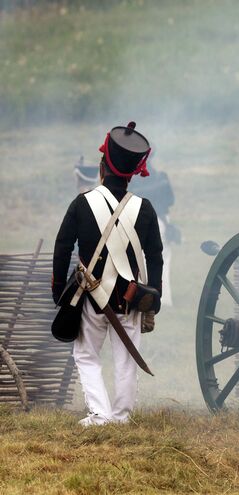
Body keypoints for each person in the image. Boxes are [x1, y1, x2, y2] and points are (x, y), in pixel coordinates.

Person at [53, 122, 163, 426]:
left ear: (103, 167)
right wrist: (154, 296)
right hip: (131, 297)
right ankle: (121, 416)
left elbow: (62, 247)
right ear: (131, 173)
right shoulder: (146, 208)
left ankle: (100, 414)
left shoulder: (81, 203)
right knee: (127, 359)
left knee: (86, 355)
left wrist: (57, 287)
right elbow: (155, 257)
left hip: (91, 297)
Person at [129, 159, 178, 307]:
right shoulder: (161, 177)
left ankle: (146, 297)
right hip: (162, 221)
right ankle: (163, 299)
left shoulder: (133, 181)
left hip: (141, 223)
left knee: (142, 261)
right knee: (163, 261)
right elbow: (171, 200)